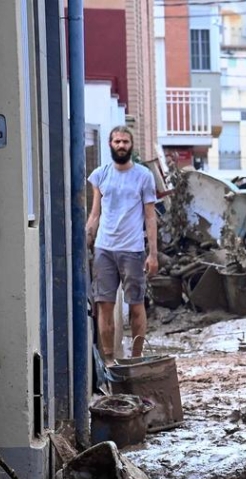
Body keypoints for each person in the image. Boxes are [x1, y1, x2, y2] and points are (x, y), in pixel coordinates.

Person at [85, 126, 158, 363]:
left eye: (125, 141)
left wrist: (153, 254)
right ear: (110, 144)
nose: (121, 145)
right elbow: (95, 213)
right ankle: (108, 362)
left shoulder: (143, 176)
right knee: (104, 305)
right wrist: (87, 239)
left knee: (136, 305)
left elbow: (150, 216)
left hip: (133, 250)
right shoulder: (100, 175)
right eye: (117, 141)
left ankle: (135, 359)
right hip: (104, 249)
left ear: (131, 145)